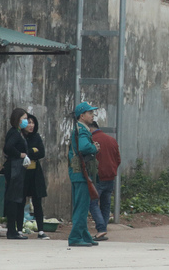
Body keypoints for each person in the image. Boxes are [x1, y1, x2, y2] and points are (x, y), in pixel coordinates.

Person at [68, 102, 101, 247]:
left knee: (82, 205)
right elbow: (84, 147)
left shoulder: (80, 128)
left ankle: (85, 235)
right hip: (81, 174)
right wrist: (94, 147)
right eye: (90, 113)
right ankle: (75, 237)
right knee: (81, 206)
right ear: (82, 116)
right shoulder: (82, 130)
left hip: (79, 173)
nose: (92, 115)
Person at [89, 121, 121, 242]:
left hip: (97, 177)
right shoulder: (111, 140)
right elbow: (118, 159)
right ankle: (103, 228)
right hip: (110, 177)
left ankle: (101, 228)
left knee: (92, 203)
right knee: (105, 204)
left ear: (90, 129)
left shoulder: (91, 140)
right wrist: (112, 170)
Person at [3, 108, 31, 240]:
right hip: (14, 168)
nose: (26, 121)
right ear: (18, 119)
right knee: (13, 199)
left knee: (15, 199)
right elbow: (8, 147)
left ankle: (13, 229)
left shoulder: (18, 132)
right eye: (24, 118)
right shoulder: (14, 133)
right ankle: (12, 230)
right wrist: (20, 154)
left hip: (18, 168)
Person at [22, 113, 50, 240]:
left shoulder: (37, 137)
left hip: (35, 174)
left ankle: (41, 231)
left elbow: (41, 153)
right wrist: (32, 151)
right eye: (28, 122)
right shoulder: (20, 136)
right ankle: (19, 228)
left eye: (33, 122)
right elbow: (21, 152)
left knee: (37, 202)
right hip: (22, 174)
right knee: (20, 200)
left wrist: (30, 152)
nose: (31, 125)